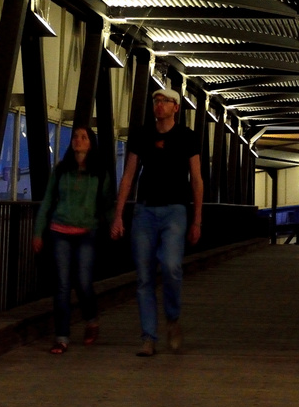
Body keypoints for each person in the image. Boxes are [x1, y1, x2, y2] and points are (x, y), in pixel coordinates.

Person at [110, 87, 203, 356]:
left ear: (176, 107)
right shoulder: (142, 135)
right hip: (145, 210)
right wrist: (118, 215)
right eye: (156, 100)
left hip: (175, 210)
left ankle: (172, 318)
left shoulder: (186, 137)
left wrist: (197, 219)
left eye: (165, 101)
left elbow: (196, 179)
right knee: (144, 276)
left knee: (172, 267)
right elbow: (128, 175)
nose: (159, 105)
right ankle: (148, 337)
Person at [32, 125, 115, 354]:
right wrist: (38, 232)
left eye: (83, 137)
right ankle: (62, 337)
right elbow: (48, 201)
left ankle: (91, 319)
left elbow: (108, 204)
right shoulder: (61, 170)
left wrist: (115, 224)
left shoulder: (99, 172)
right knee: (61, 285)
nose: (78, 140)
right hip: (60, 230)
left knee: (83, 281)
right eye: (75, 137)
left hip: (87, 231)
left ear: (91, 143)